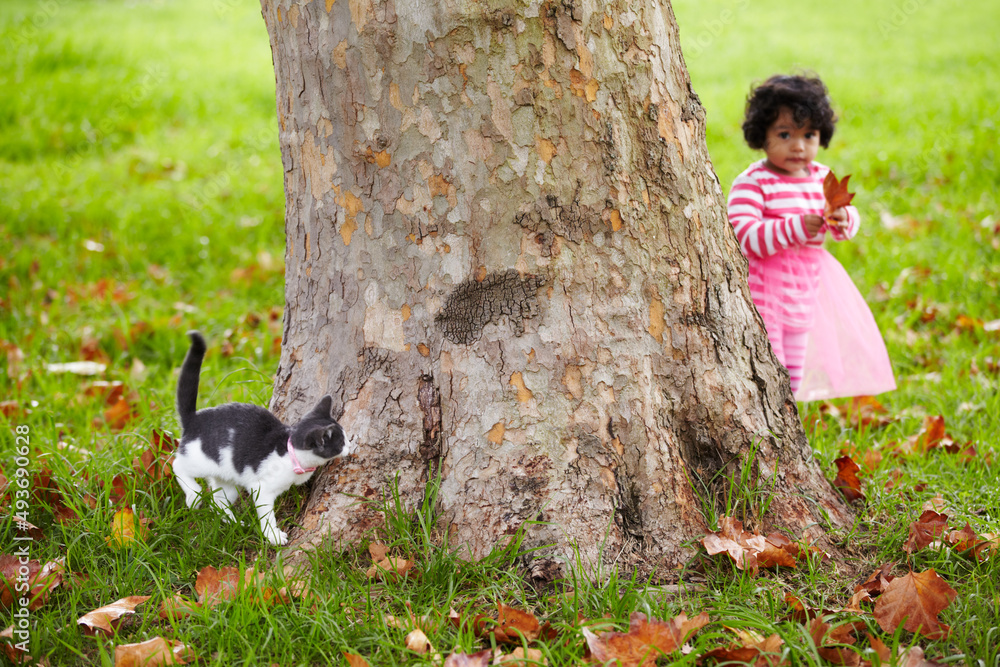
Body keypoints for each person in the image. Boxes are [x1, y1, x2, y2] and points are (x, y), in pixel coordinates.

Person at [727, 74, 895, 400]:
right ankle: (766, 413)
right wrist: (794, 228)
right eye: (785, 134)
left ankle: (787, 417)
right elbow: (744, 235)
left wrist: (844, 219)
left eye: (809, 135)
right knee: (767, 360)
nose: (799, 146)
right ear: (762, 135)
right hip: (764, 290)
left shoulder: (821, 177)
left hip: (808, 287)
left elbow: (844, 219)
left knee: (795, 366)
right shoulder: (753, 182)